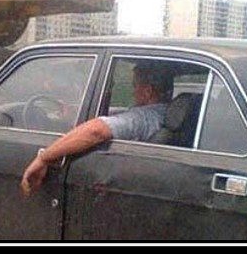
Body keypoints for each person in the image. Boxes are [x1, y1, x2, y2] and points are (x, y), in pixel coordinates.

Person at [20, 63, 173, 196]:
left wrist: (43, 158)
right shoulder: (165, 113)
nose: (133, 92)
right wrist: (75, 112)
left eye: (134, 86)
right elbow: (118, 117)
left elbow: (96, 131)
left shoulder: (143, 118)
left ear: (148, 91)